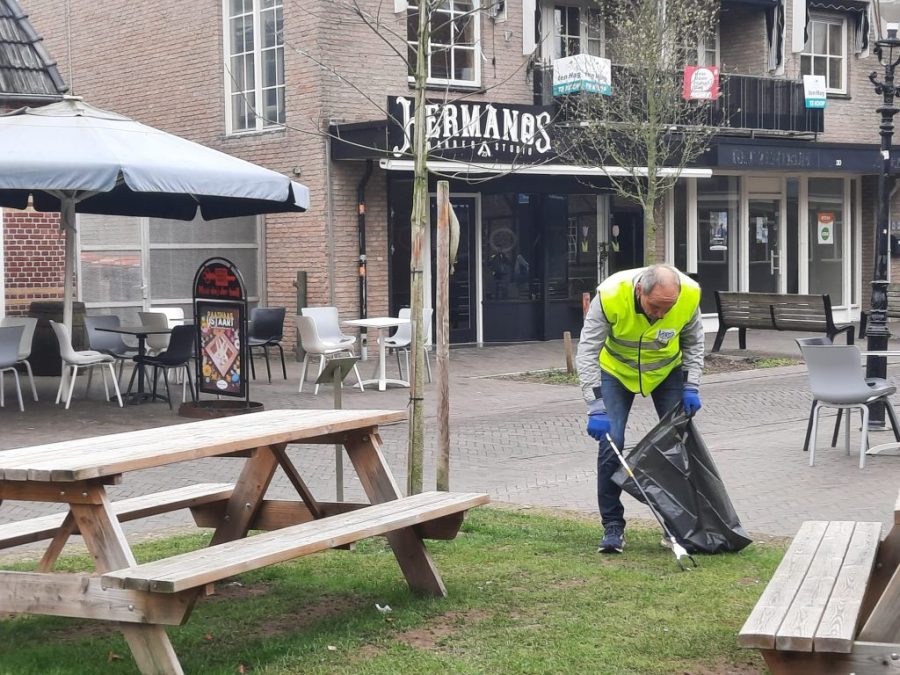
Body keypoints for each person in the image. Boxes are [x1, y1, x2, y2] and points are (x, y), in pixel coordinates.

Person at [576, 264, 704, 554]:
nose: (660, 315)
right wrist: (595, 404)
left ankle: (675, 527)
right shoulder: (610, 295)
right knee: (613, 443)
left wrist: (691, 385)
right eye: (655, 307)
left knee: (676, 445)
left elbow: (694, 344)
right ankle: (612, 527)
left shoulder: (689, 295)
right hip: (616, 372)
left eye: (666, 309)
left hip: (666, 372)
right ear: (639, 291)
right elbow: (587, 351)